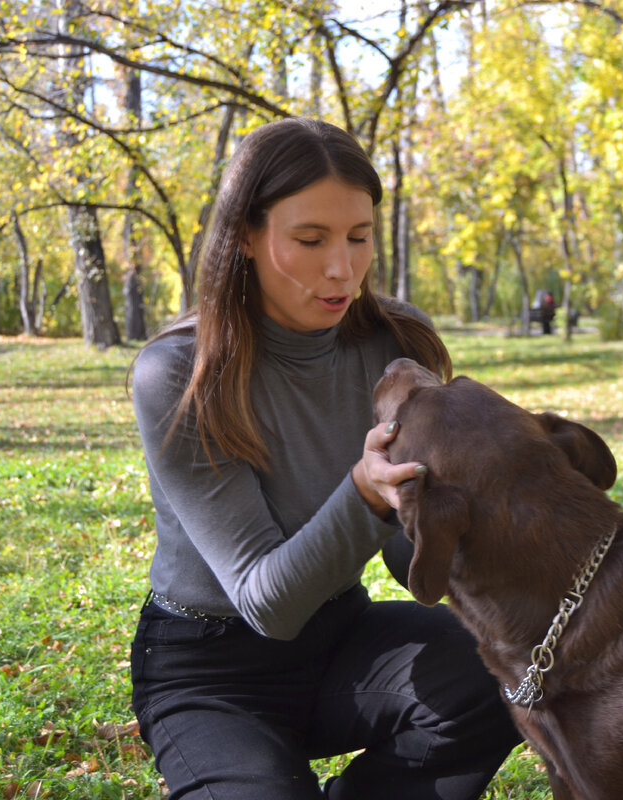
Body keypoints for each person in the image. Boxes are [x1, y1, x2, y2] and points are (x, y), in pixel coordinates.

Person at [127, 117, 520, 800]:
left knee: (506, 670)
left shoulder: (397, 342)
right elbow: (266, 604)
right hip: (208, 674)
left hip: (342, 637)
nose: (342, 267)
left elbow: (409, 551)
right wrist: (367, 494)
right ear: (246, 237)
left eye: (359, 237)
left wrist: (488, 537)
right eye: (310, 240)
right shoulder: (176, 373)